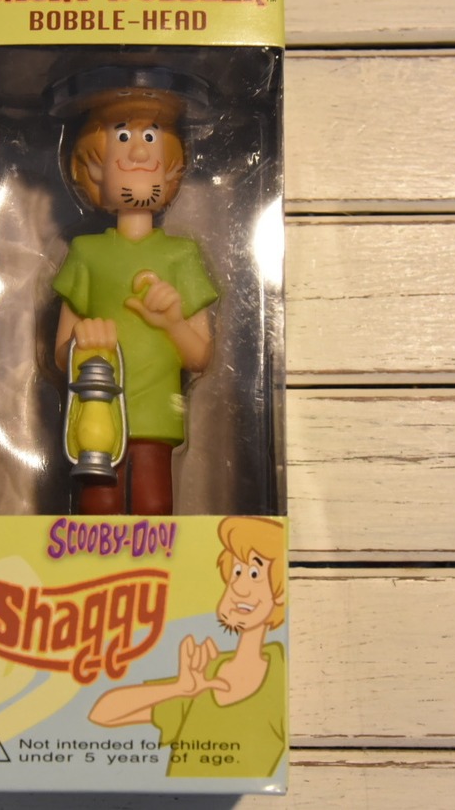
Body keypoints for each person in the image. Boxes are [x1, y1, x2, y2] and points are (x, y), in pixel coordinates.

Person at [53, 87, 218, 515]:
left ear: (173, 168)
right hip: (97, 410)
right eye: (123, 137)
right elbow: (60, 353)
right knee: (97, 505)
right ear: (93, 168)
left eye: (151, 138)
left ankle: (156, 561)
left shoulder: (181, 255)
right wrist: (82, 343)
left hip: (156, 414)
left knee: (154, 502)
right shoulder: (87, 253)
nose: (140, 153)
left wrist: (172, 324)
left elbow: (200, 356)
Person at [87, 517, 287, 778]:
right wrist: (179, 688)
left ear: (279, 593)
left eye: (254, 574)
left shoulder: (281, 673)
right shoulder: (206, 668)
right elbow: (102, 714)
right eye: (237, 572)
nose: (239, 587)